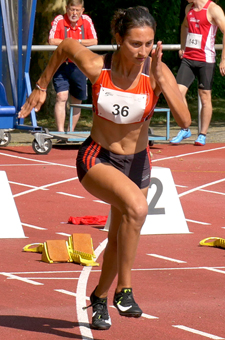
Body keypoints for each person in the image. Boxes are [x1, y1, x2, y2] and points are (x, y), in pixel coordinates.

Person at [19, 6, 191, 331]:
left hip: (137, 164)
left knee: (117, 239)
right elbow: (67, 47)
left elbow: (184, 121)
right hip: (97, 158)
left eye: (148, 44)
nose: (142, 52)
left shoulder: (156, 72)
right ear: (119, 39)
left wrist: (161, 81)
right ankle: (124, 291)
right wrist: (42, 85)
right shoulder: (100, 69)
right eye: (135, 44)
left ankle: (99, 296)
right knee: (138, 208)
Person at [170, 0, 225, 146]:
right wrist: (183, 46)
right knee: (177, 92)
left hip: (206, 60)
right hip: (188, 59)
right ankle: (185, 128)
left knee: (205, 96)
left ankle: (202, 134)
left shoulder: (213, 9)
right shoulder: (189, 8)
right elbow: (184, 26)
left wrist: (223, 59)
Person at [48, 0, 98, 132]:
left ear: (82, 10)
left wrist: (76, 42)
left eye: (77, 10)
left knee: (77, 100)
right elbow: (52, 40)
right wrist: (70, 44)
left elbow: (94, 40)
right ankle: (60, 132)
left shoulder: (86, 20)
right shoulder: (59, 20)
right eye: (71, 10)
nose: (74, 13)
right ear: (66, 9)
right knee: (61, 96)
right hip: (61, 65)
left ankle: (70, 132)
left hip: (79, 66)